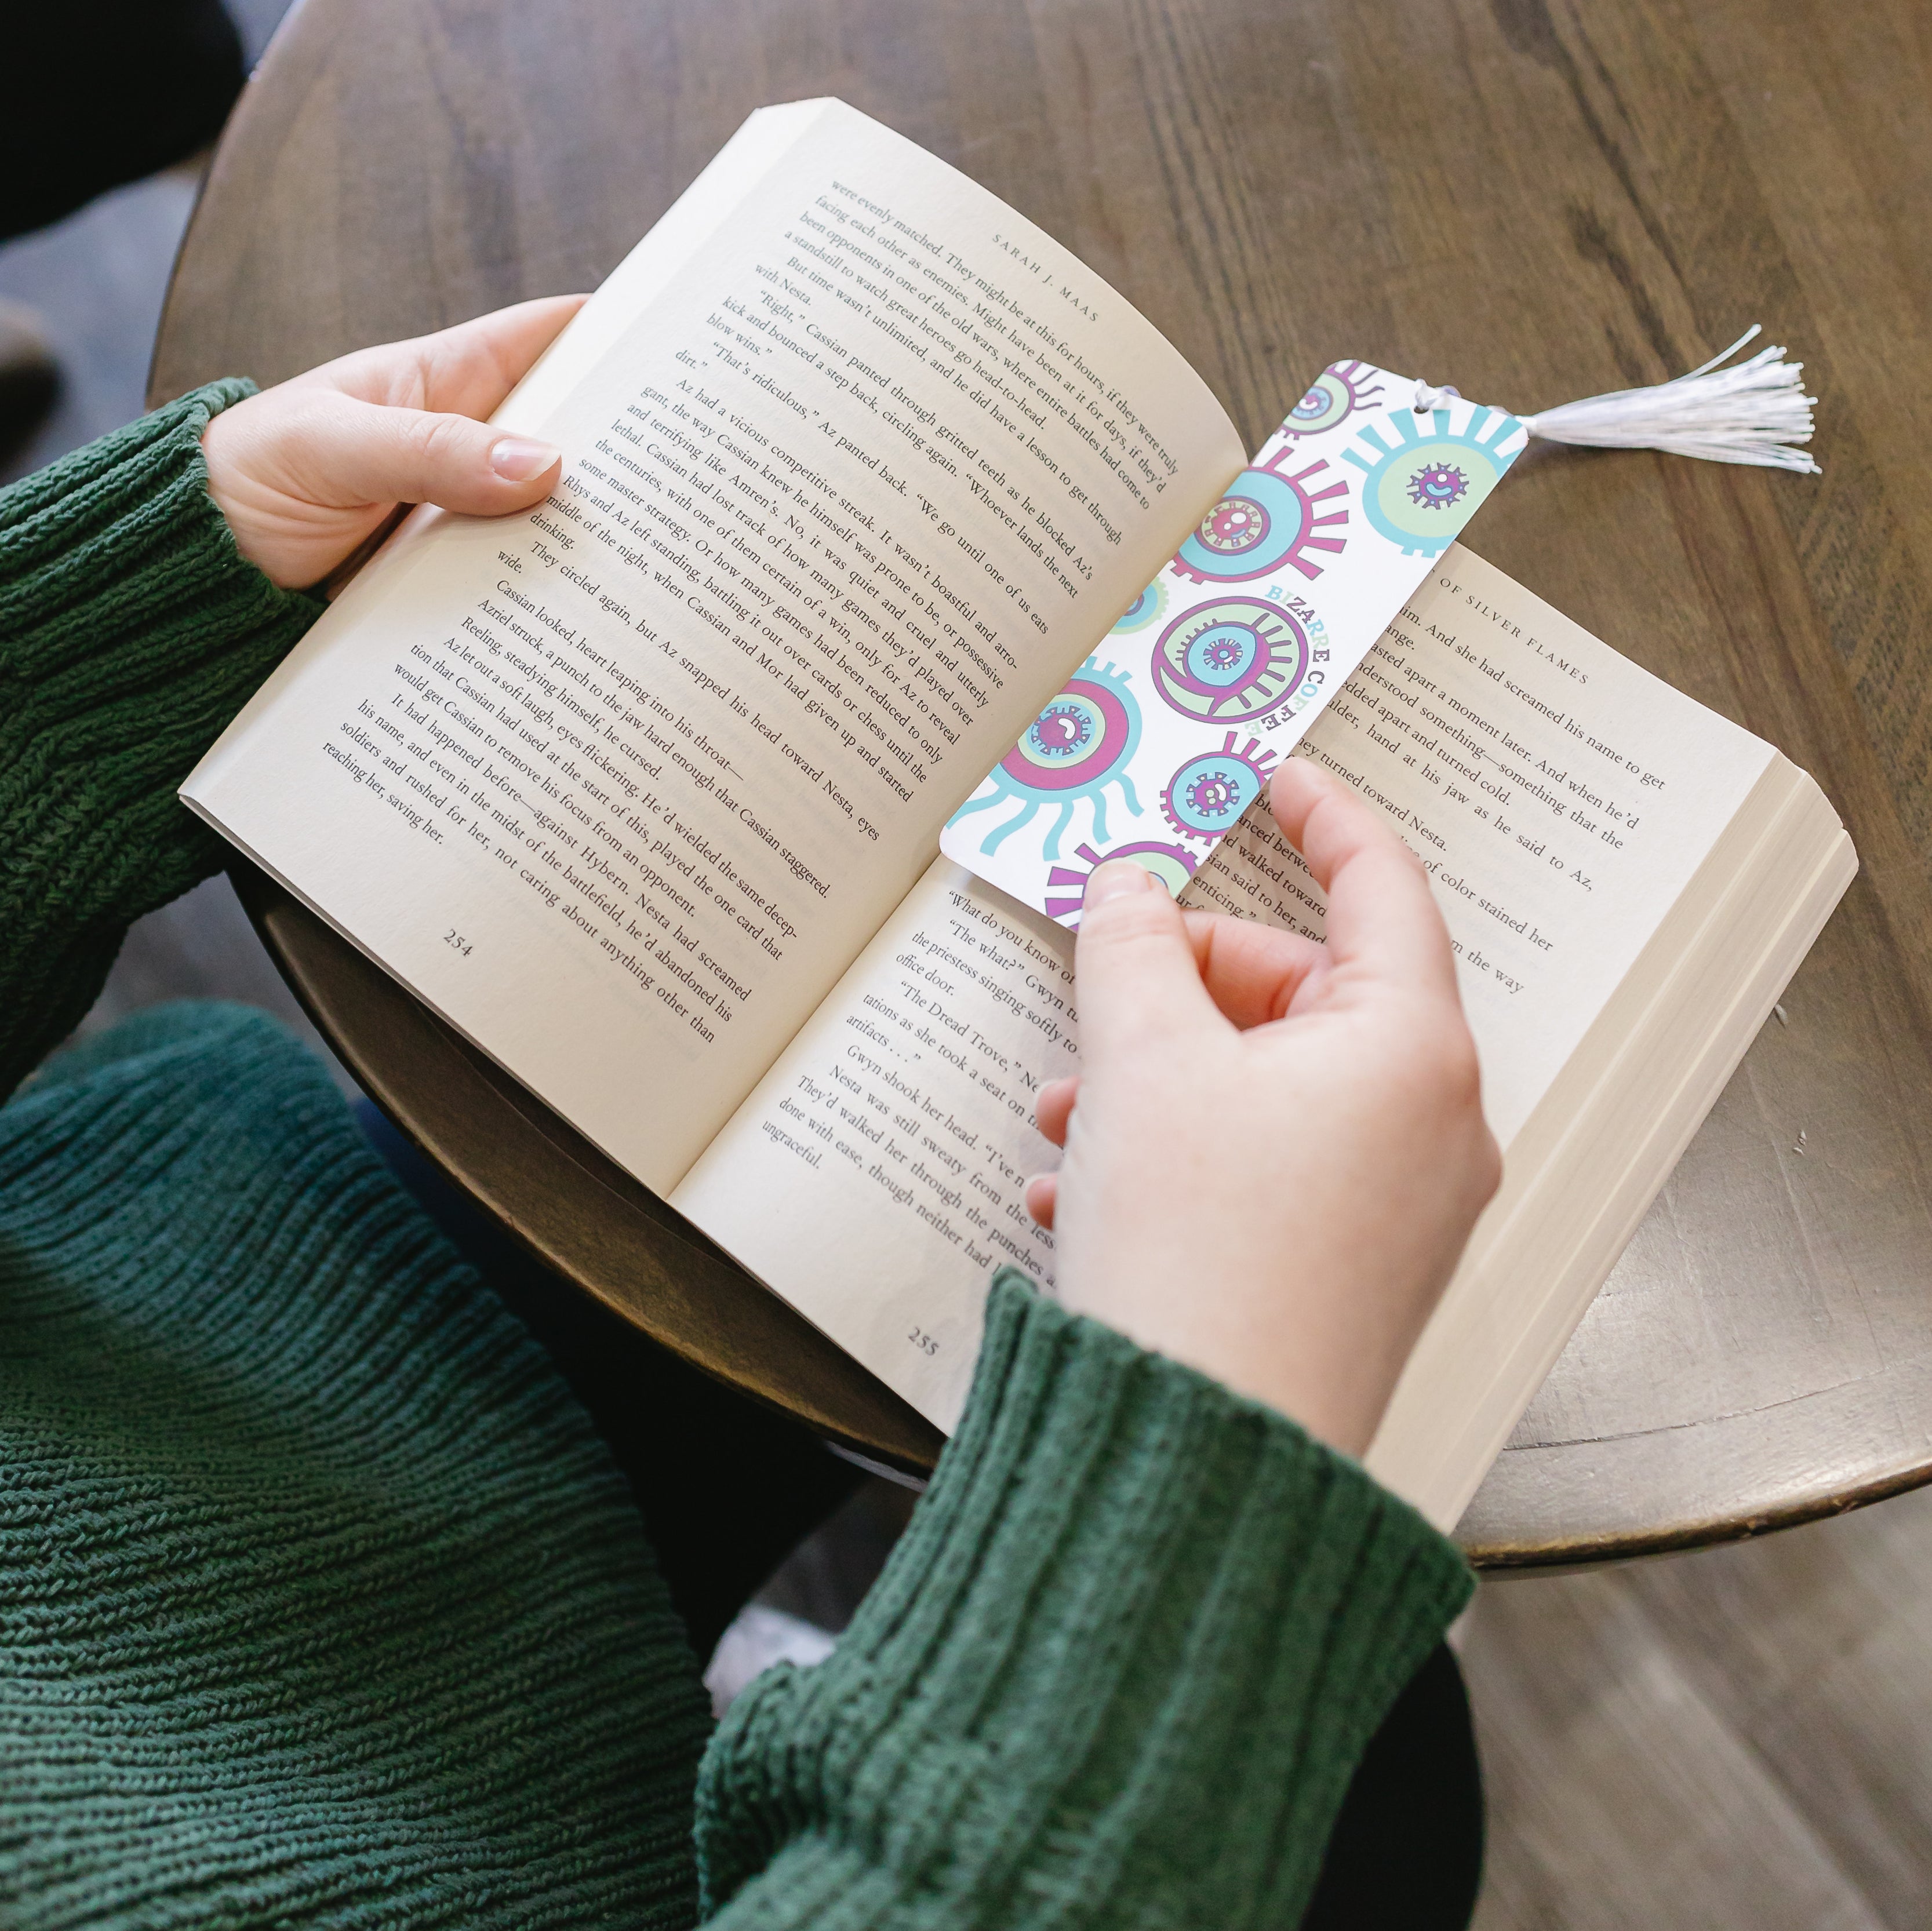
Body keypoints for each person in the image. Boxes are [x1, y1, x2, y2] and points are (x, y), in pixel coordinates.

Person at [0, 299, 1500, 1928]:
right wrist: (1205, 1432)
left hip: (211, 1319)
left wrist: (69, 654)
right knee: (1386, 1789)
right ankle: (745, 1767)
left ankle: (746, 1708)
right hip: (482, 1804)